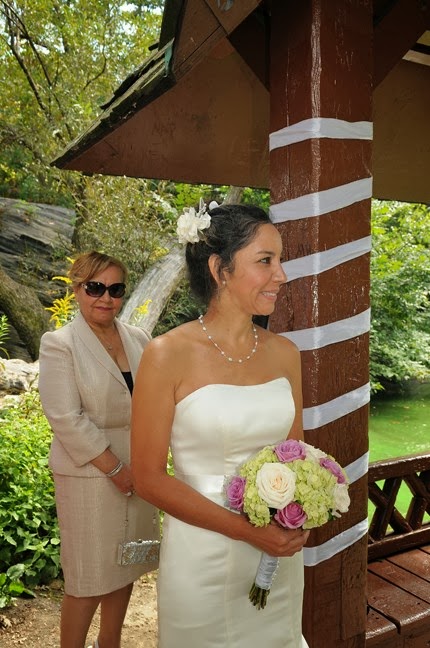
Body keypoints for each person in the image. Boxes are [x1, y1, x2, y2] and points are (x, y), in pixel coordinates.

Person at [131, 202, 310, 647]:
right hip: (203, 559)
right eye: (265, 260)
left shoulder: (286, 354)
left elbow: (296, 458)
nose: (281, 274)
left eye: (280, 260)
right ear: (219, 269)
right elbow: (148, 478)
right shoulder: (166, 355)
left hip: (277, 558)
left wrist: (303, 509)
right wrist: (249, 532)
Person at [38, 251, 159, 648]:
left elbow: (156, 403)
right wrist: (116, 470)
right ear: (77, 289)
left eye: (116, 289)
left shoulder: (140, 339)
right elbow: (66, 418)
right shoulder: (60, 344)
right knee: (87, 578)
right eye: (95, 287)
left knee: (126, 565)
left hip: (139, 470)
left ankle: (110, 643)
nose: (106, 297)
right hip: (89, 474)